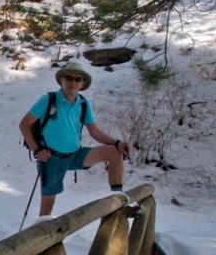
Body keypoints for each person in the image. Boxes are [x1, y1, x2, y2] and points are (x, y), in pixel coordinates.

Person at [18, 62, 132, 217]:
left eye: (77, 79)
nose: (73, 82)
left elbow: (96, 132)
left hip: (75, 154)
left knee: (114, 152)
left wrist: (117, 143)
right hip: (52, 158)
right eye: (69, 78)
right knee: (48, 202)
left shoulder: (83, 104)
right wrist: (37, 150)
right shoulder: (49, 100)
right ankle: (42, 231)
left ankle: (119, 199)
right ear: (62, 81)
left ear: (82, 83)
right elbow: (24, 125)